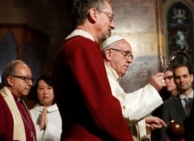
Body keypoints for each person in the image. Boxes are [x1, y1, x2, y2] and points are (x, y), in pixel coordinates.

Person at [51, 0, 133, 140]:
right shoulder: (82, 46)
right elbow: (101, 106)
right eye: (110, 17)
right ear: (93, 14)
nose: (113, 25)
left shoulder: (72, 45)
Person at [101, 35, 166, 141]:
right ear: (109, 54)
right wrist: (152, 88)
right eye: (126, 54)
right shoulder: (104, 78)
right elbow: (120, 112)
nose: (130, 61)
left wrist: (141, 122)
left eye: (131, 56)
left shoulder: (112, 78)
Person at [158, 64, 194, 141]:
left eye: (185, 76)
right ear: (174, 80)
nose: (181, 80)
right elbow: (164, 137)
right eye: (178, 77)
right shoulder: (167, 105)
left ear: (191, 77)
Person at [0, 60, 36, 141]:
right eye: (25, 78)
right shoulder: (1, 102)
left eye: (31, 79)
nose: (30, 83)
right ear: (10, 80)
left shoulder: (20, 101)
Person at [29, 74, 62, 141]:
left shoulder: (63, 113)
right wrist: (39, 128)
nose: (45, 92)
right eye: (41, 88)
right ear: (36, 91)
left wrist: (48, 126)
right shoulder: (29, 113)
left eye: (49, 88)